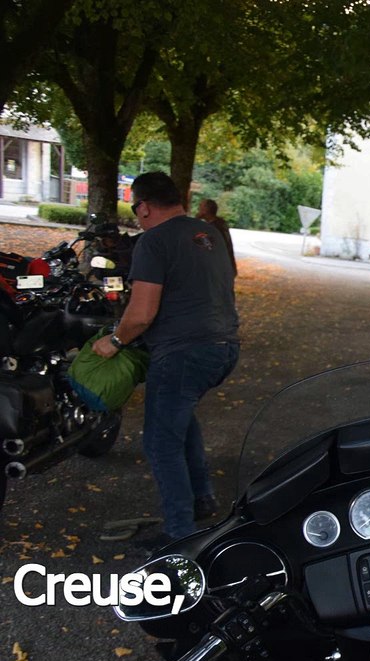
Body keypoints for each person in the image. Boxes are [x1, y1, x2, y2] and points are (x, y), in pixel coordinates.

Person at [93, 172, 239, 547]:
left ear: (143, 206)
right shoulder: (208, 234)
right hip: (223, 346)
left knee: (160, 441)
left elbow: (141, 313)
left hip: (184, 352)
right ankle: (201, 498)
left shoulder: (154, 241)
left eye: (135, 207)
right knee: (180, 417)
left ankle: (179, 534)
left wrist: (114, 341)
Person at [195, 198, 237, 277]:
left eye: (200, 206)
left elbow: (207, 247)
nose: (198, 208)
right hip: (227, 266)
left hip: (220, 269)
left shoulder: (212, 229)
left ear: (206, 210)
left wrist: (195, 221)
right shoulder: (220, 224)